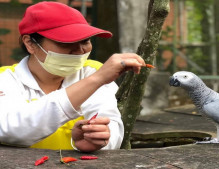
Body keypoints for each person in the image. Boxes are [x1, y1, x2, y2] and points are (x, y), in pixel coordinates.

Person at [0, 1, 145, 152]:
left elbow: (112, 127)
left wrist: (100, 141)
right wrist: (96, 80)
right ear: (30, 43)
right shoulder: (5, 79)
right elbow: (11, 130)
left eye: (85, 41)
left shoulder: (92, 71)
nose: (80, 51)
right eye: (66, 42)